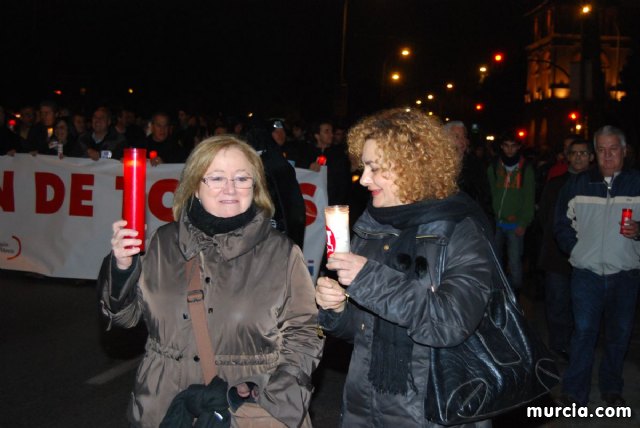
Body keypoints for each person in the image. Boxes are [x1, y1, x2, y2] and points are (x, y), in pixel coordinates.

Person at [98, 136, 322, 427]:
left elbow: (305, 336)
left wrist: (270, 403)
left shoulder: (281, 253)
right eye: (216, 178)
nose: (230, 188)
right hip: (163, 410)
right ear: (194, 185)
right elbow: (123, 319)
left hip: (245, 414)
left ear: (255, 187)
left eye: (242, 178)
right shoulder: (161, 243)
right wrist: (121, 267)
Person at [315, 109, 493, 427]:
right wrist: (338, 309)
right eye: (364, 166)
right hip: (364, 406)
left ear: (411, 167)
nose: (364, 178)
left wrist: (368, 277)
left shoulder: (460, 230)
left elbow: (449, 323)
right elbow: (363, 330)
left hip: (432, 410)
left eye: (375, 168)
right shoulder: (372, 227)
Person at [554, 125, 640, 407]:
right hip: (586, 273)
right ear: (594, 153)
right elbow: (561, 224)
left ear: (624, 151)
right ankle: (574, 391)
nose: (607, 155)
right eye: (601, 150)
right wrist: (577, 250)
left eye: (613, 149)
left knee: (618, 335)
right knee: (584, 333)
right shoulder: (578, 184)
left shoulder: (636, 184)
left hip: (625, 272)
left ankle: (612, 387)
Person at [537, 139, 593, 361]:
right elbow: (544, 217)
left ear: (591, 157)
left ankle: (579, 343)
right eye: (574, 153)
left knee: (582, 304)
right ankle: (560, 345)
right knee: (558, 300)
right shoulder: (556, 184)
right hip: (557, 254)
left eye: (583, 153)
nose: (578, 157)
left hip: (588, 255)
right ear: (567, 156)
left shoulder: (599, 184)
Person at [487, 132, 535, 294]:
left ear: (518, 147)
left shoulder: (525, 168)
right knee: (495, 260)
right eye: (506, 145)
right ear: (501, 146)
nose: (509, 149)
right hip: (496, 221)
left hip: (515, 223)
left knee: (514, 262)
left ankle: (515, 296)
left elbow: (529, 197)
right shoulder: (494, 167)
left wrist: (524, 222)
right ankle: (499, 293)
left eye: (513, 146)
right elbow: (490, 192)